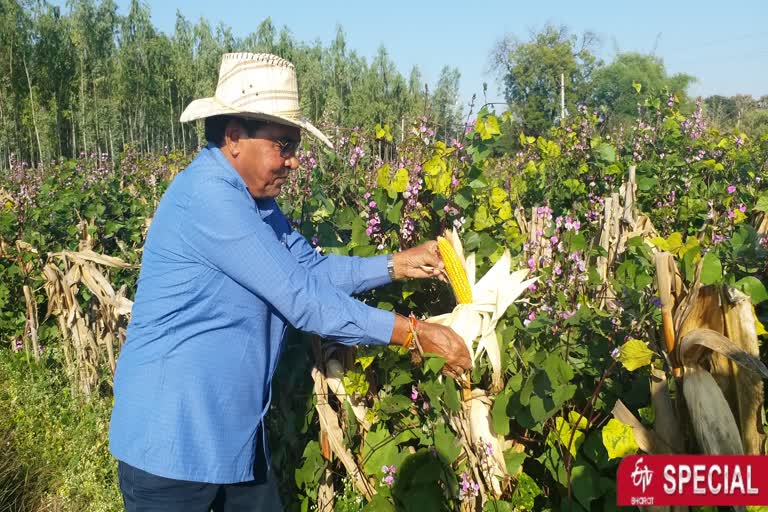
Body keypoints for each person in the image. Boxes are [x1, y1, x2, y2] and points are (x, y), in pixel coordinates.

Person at [108, 52, 471, 511]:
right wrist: (416, 334)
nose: (294, 162)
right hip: (171, 442)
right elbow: (303, 299)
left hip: (230, 436)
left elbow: (311, 270)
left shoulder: (253, 203)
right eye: (284, 145)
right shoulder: (209, 198)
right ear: (234, 136)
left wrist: (394, 265)